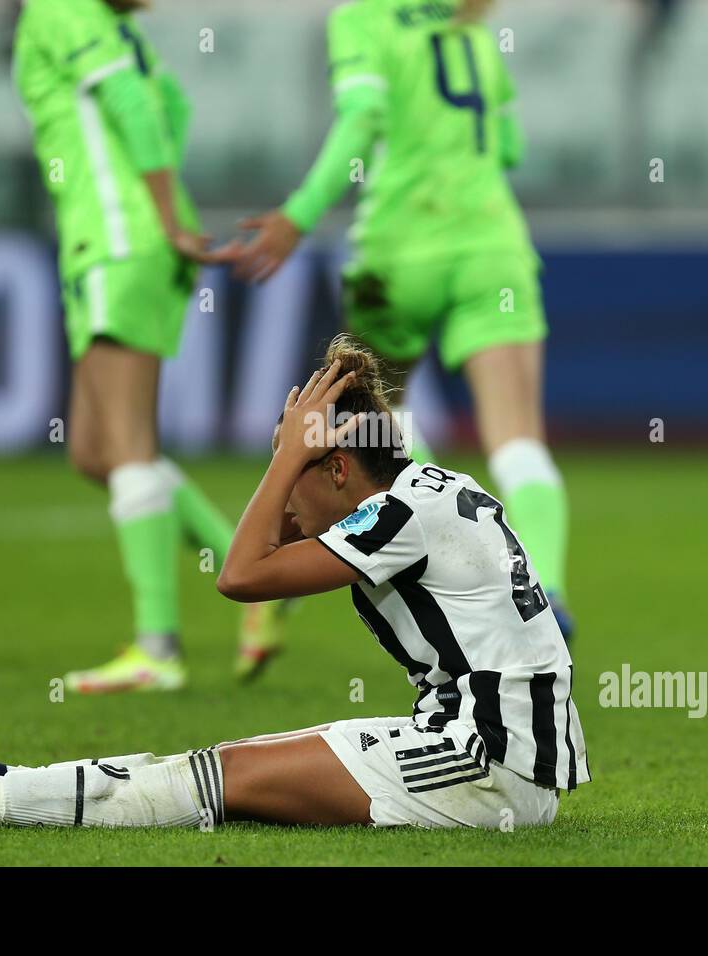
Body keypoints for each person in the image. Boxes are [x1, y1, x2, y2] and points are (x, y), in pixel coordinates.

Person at [0, 338, 590, 830]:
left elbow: (240, 573)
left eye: (293, 469)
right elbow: (267, 546)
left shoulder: (399, 515)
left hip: (487, 768)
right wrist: (294, 456)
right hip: (489, 754)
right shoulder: (424, 494)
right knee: (226, 768)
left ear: (338, 468)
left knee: (224, 779)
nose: (281, 491)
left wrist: (286, 460)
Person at [232, 0, 577, 638]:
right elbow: (509, 146)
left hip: (397, 253)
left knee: (372, 430)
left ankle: (410, 562)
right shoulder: (469, 26)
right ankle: (546, 591)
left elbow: (361, 117)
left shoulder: (364, 19)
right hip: (490, 248)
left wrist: (299, 214)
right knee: (519, 440)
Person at [13, 0, 284, 690]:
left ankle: (157, 648)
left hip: (116, 239)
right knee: (94, 450)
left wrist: (157, 215)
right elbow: (173, 105)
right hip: (133, 241)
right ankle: (245, 559)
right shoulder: (119, 28)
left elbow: (136, 107)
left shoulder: (58, 11)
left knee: (127, 446)